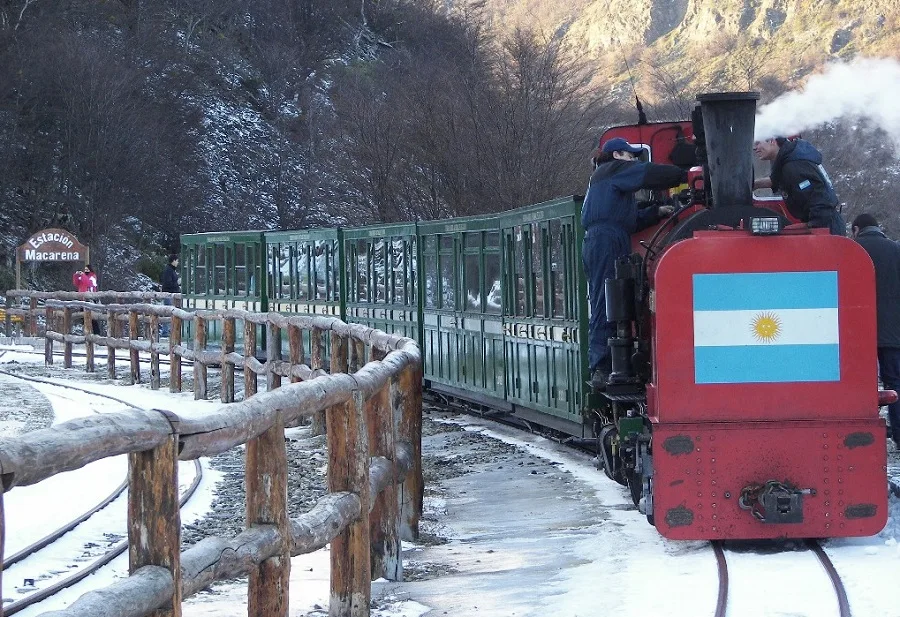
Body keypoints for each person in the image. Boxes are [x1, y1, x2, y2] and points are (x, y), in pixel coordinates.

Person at [582, 137, 685, 389]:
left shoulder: (607, 182)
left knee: (615, 299)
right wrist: (687, 175)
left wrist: (656, 212)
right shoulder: (612, 169)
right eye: (630, 156)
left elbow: (628, 221)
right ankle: (601, 367)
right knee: (606, 300)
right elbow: (649, 174)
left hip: (610, 236)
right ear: (617, 155)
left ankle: (613, 362)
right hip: (606, 240)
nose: (633, 161)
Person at [851, 213, 900, 448]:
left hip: (858, 331)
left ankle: (863, 437)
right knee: (895, 384)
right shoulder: (896, 250)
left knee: (859, 385)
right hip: (893, 332)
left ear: (856, 228)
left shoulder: (851, 249)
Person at [752, 137, 845, 235]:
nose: (755, 148)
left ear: (771, 141)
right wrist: (754, 184)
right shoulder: (788, 159)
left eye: (758, 143)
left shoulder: (794, 166)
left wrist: (815, 229)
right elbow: (776, 180)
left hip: (826, 226)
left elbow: (819, 199)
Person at [72, 264, 100, 334]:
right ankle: (87, 332)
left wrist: (83, 275)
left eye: (87, 270)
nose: (86, 271)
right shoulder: (83, 276)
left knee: (92, 318)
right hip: (82, 299)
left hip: (89, 298)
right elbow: (76, 283)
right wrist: (76, 275)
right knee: (83, 317)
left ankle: (96, 333)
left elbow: (88, 283)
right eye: (85, 270)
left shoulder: (92, 277)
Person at [160, 254, 180, 337]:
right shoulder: (169, 270)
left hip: (172, 294)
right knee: (168, 312)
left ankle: (169, 330)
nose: (178, 262)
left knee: (170, 312)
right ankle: (165, 332)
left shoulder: (171, 270)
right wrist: (177, 284)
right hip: (169, 295)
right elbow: (167, 283)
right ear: (174, 261)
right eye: (177, 261)